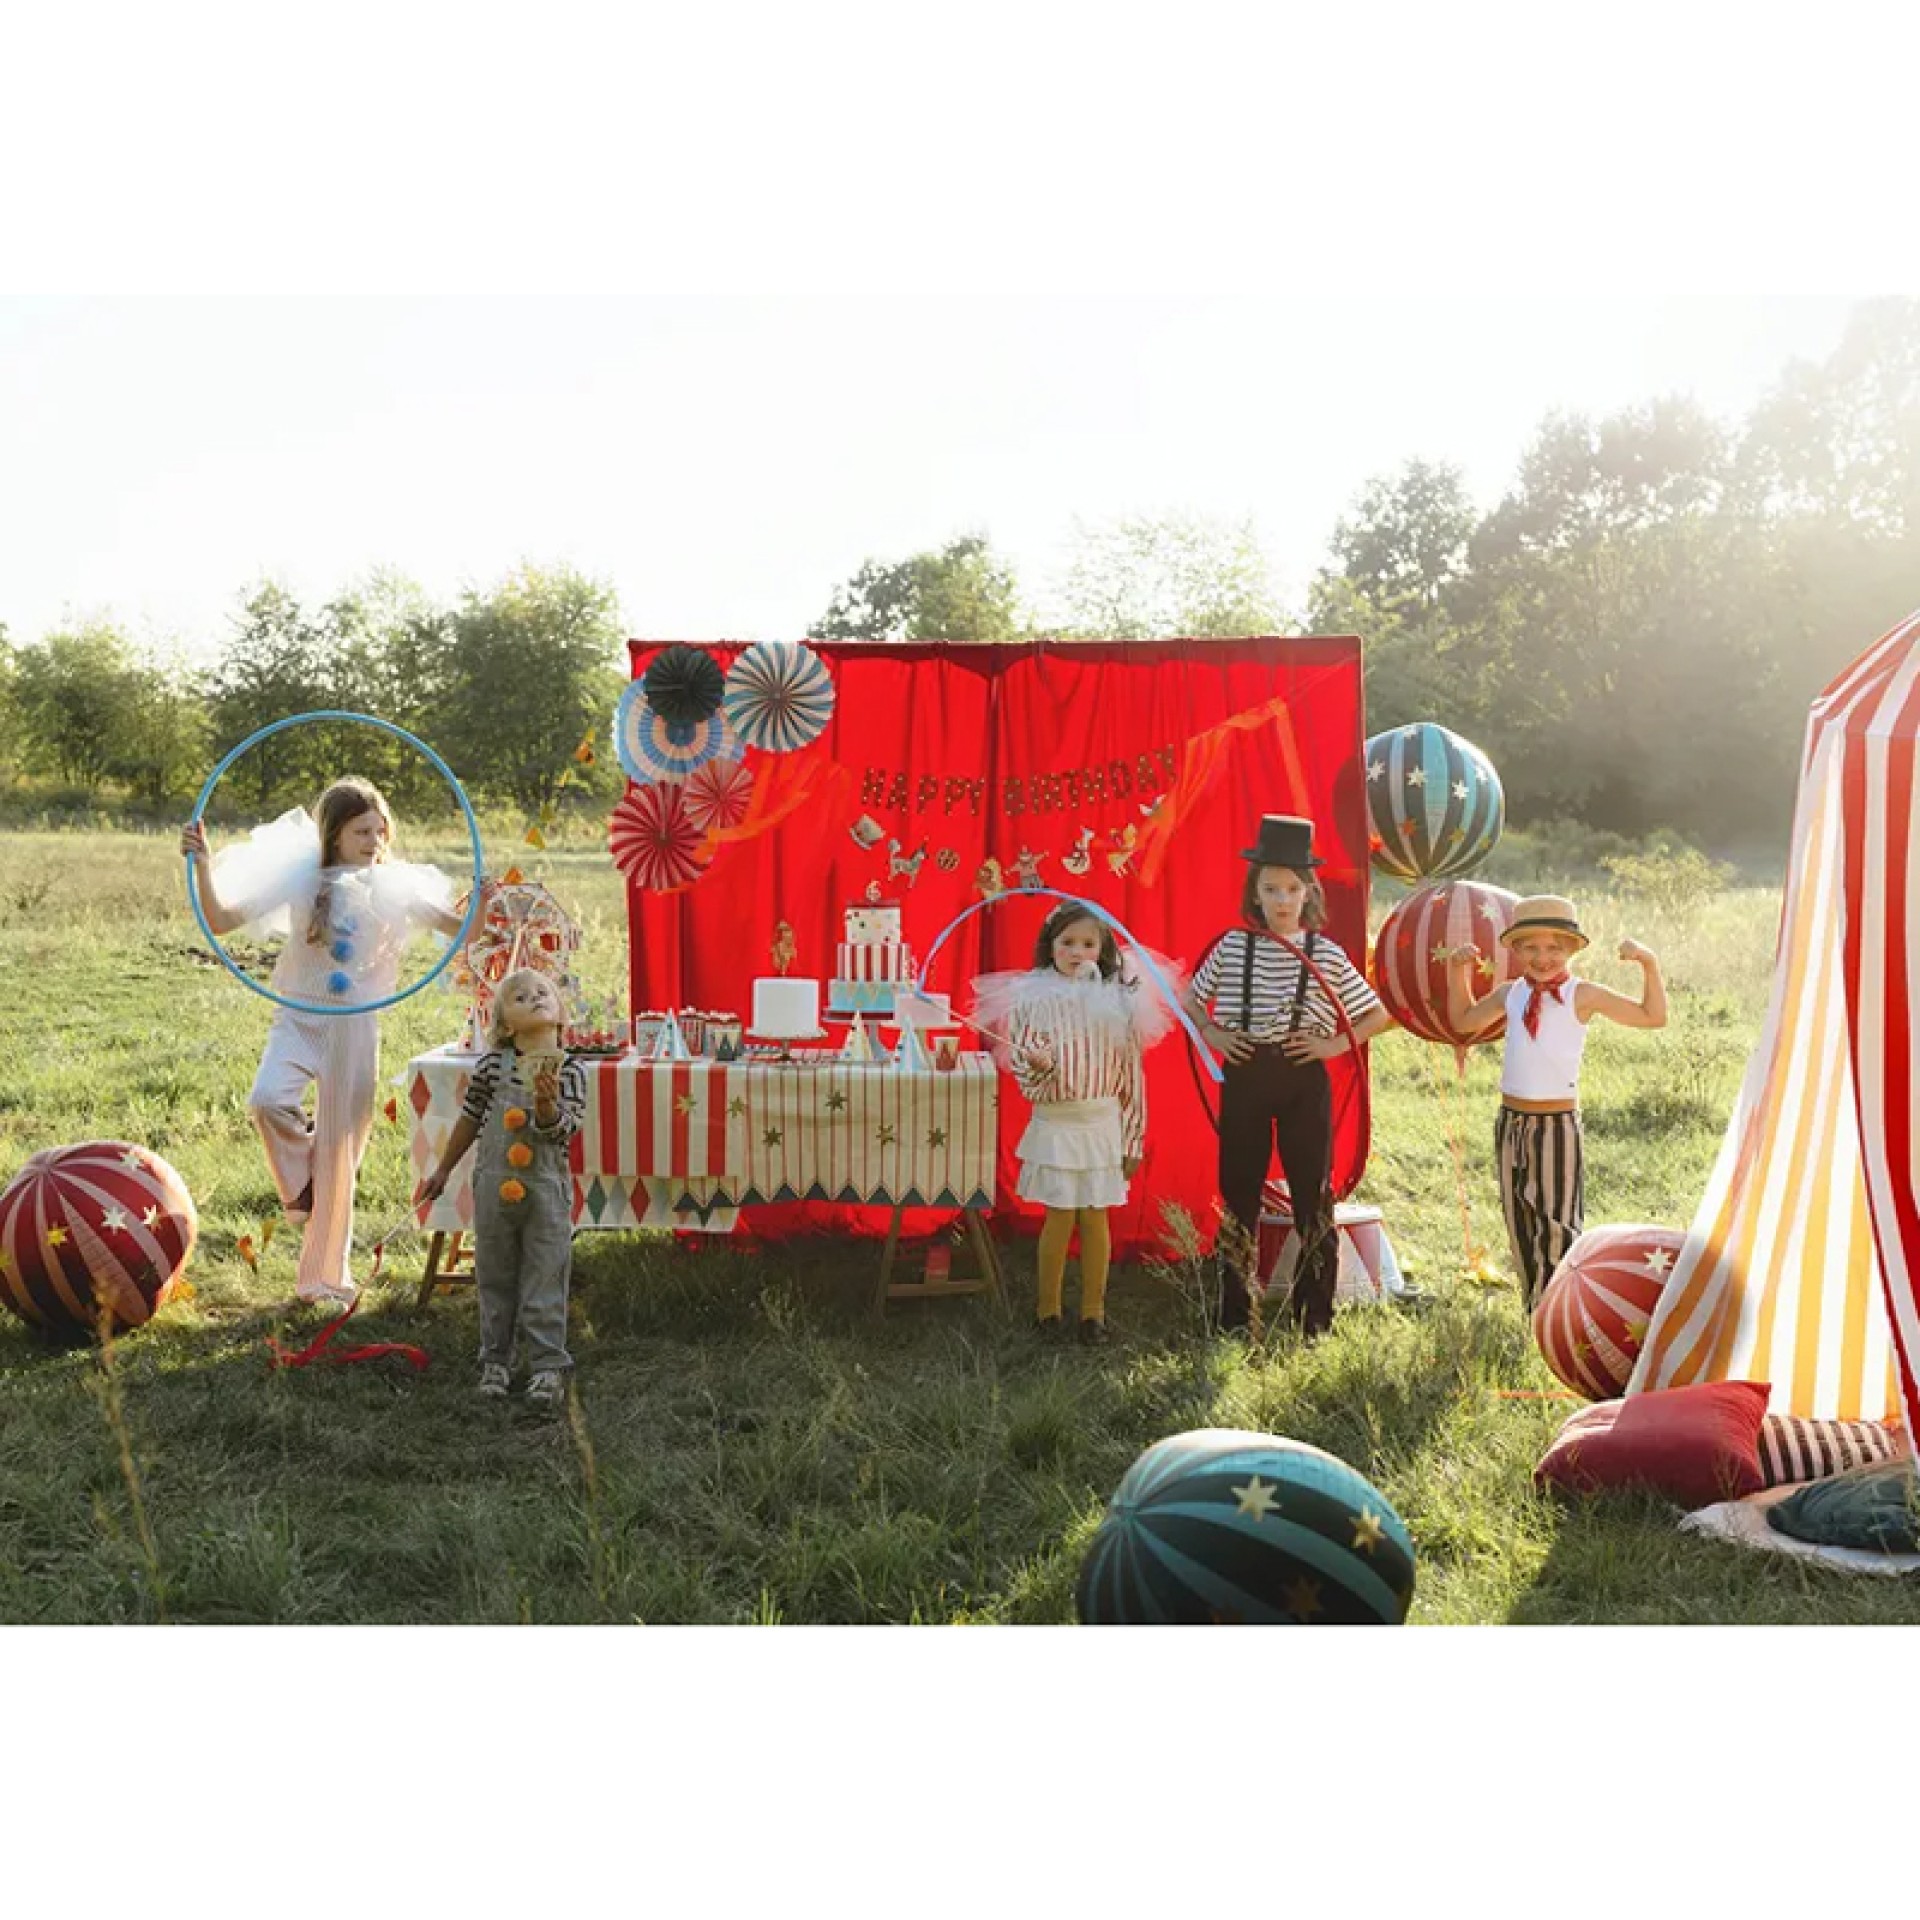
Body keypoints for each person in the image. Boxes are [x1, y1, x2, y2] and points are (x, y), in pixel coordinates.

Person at [181, 776, 466, 1305]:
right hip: (299, 1016)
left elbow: (461, 929)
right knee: (267, 1101)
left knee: (338, 1155)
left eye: (381, 831)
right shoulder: (300, 878)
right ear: (334, 833)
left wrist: (490, 905)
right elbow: (220, 920)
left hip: (354, 1026)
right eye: (362, 831)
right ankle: (301, 1191)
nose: (375, 841)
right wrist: (201, 864)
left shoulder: (396, 886)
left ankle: (323, 1282)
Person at [1184, 815, 1391, 1338]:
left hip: (1303, 1079)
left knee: (1312, 1193)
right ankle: (1235, 1315)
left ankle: (1315, 1318)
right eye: (1271, 888)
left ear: (1308, 893)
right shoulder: (1231, 947)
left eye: (1292, 889)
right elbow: (1188, 1000)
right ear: (1254, 891)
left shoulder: (1326, 953)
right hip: (1246, 1074)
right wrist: (1212, 1032)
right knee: (1239, 1191)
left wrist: (1331, 1044)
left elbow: (1378, 1014)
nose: (1281, 899)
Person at [1446, 894, 1667, 1307]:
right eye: (1531, 947)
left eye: (1554, 948)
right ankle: (1534, 1307)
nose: (1543, 957)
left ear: (1570, 950)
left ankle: (1564, 1308)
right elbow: (1463, 1021)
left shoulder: (1582, 995)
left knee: (1557, 1223)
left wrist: (1648, 964)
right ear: (1514, 950)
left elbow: (1652, 1017)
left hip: (1556, 1124)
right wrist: (1458, 971)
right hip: (1511, 1121)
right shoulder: (1511, 994)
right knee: (1518, 1218)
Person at [978, 904, 1159, 1345]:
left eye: (1088, 944)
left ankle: (1093, 1314)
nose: (1077, 952)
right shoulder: (1031, 998)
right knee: (1058, 1216)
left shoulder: (1118, 999)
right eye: (1067, 943)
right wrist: (1038, 1064)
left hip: (1101, 1125)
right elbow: (1025, 1074)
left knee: (1095, 1217)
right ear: (1051, 945)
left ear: (1103, 950)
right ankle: (1047, 1310)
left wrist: (1132, 1139)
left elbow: (1131, 1075)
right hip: (1056, 1125)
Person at [416, 967, 588, 1408]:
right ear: (505, 1025)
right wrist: (442, 1170)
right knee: (494, 1274)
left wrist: (546, 1106)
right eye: (520, 996)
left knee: (545, 1275)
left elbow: (563, 1132)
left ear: (561, 1012)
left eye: (543, 992)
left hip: (546, 1192)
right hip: (494, 1189)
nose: (534, 997)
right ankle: (496, 1358)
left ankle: (547, 1366)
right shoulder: (492, 1066)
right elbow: (471, 1118)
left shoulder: (572, 1070)